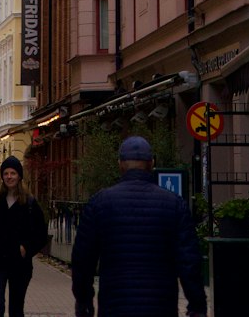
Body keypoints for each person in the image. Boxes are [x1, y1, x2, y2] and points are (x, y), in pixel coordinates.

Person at [70, 135, 207, 317]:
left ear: (120, 164)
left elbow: (83, 259)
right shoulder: (174, 204)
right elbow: (189, 261)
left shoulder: (100, 203)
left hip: (115, 303)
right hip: (160, 304)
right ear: (151, 163)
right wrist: (197, 305)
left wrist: (84, 300)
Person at [0, 155, 48, 317]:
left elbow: (41, 234)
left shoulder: (29, 204)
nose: (9, 177)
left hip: (19, 264)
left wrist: (26, 248)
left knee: (16, 308)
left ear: (19, 176)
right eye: (6, 173)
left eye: (13, 173)